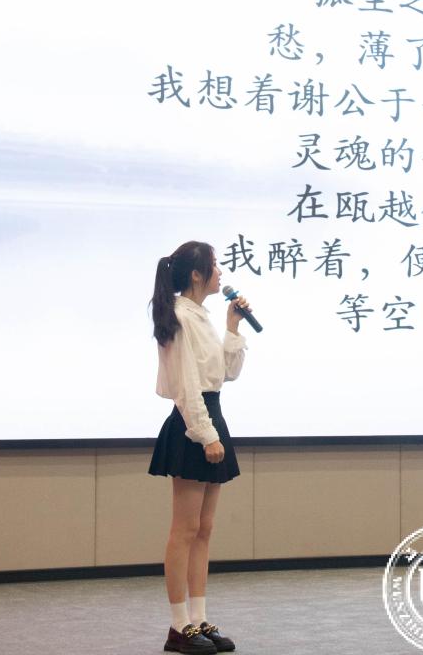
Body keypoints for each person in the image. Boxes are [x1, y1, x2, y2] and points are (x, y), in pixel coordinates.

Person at [148, 240, 250, 654]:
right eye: (215, 265)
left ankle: (198, 618)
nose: (220, 272)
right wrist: (206, 434)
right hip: (193, 423)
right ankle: (178, 626)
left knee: (204, 528)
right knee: (185, 529)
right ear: (196, 274)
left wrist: (233, 327)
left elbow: (227, 373)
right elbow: (186, 385)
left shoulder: (202, 316)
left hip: (212, 415)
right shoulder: (178, 315)